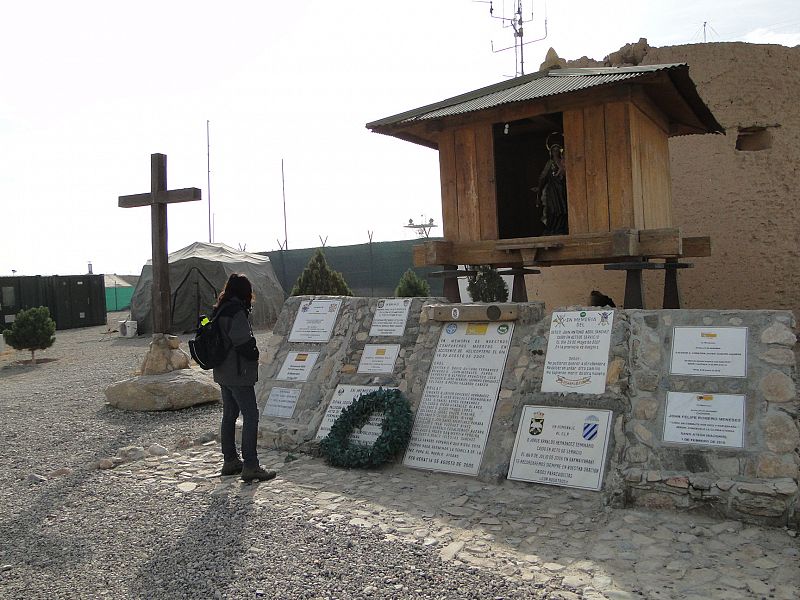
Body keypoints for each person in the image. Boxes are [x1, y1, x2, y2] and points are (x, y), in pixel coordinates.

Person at [212, 273, 275, 482]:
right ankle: (251, 465)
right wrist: (256, 352)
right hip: (238, 373)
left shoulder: (220, 309)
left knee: (229, 414)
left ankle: (230, 460)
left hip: (222, 371)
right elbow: (242, 342)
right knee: (251, 415)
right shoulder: (236, 311)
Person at [535, 141, 569, 235]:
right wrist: (539, 188)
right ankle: (552, 228)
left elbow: (566, 173)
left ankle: (560, 228)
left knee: (563, 209)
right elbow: (543, 176)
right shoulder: (550, 163)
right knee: (553, 209)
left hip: (561, 189)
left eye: (557, 150)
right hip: (552, 190)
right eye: (554, 150)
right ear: (551, 152)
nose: (555, 152)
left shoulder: (562, 161)